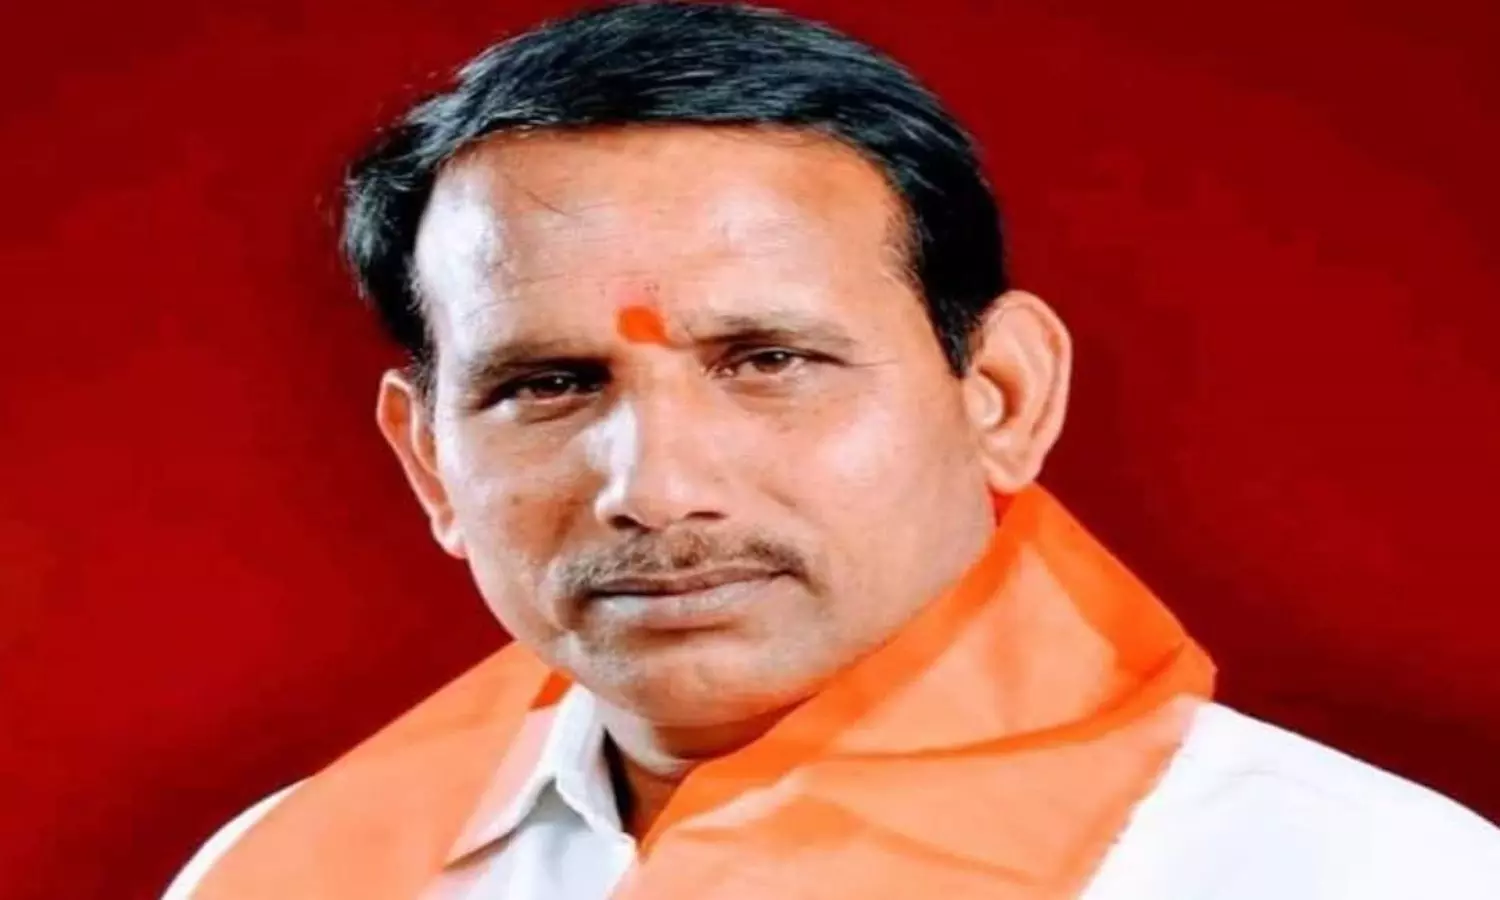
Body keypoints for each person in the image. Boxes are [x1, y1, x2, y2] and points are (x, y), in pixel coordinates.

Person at [165, 1, 1500, 897]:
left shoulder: (1346, 875)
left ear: (1002, 395)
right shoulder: (284, 873)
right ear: (428, 463)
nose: (656, 488)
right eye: (550, 384)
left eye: (768, 361)